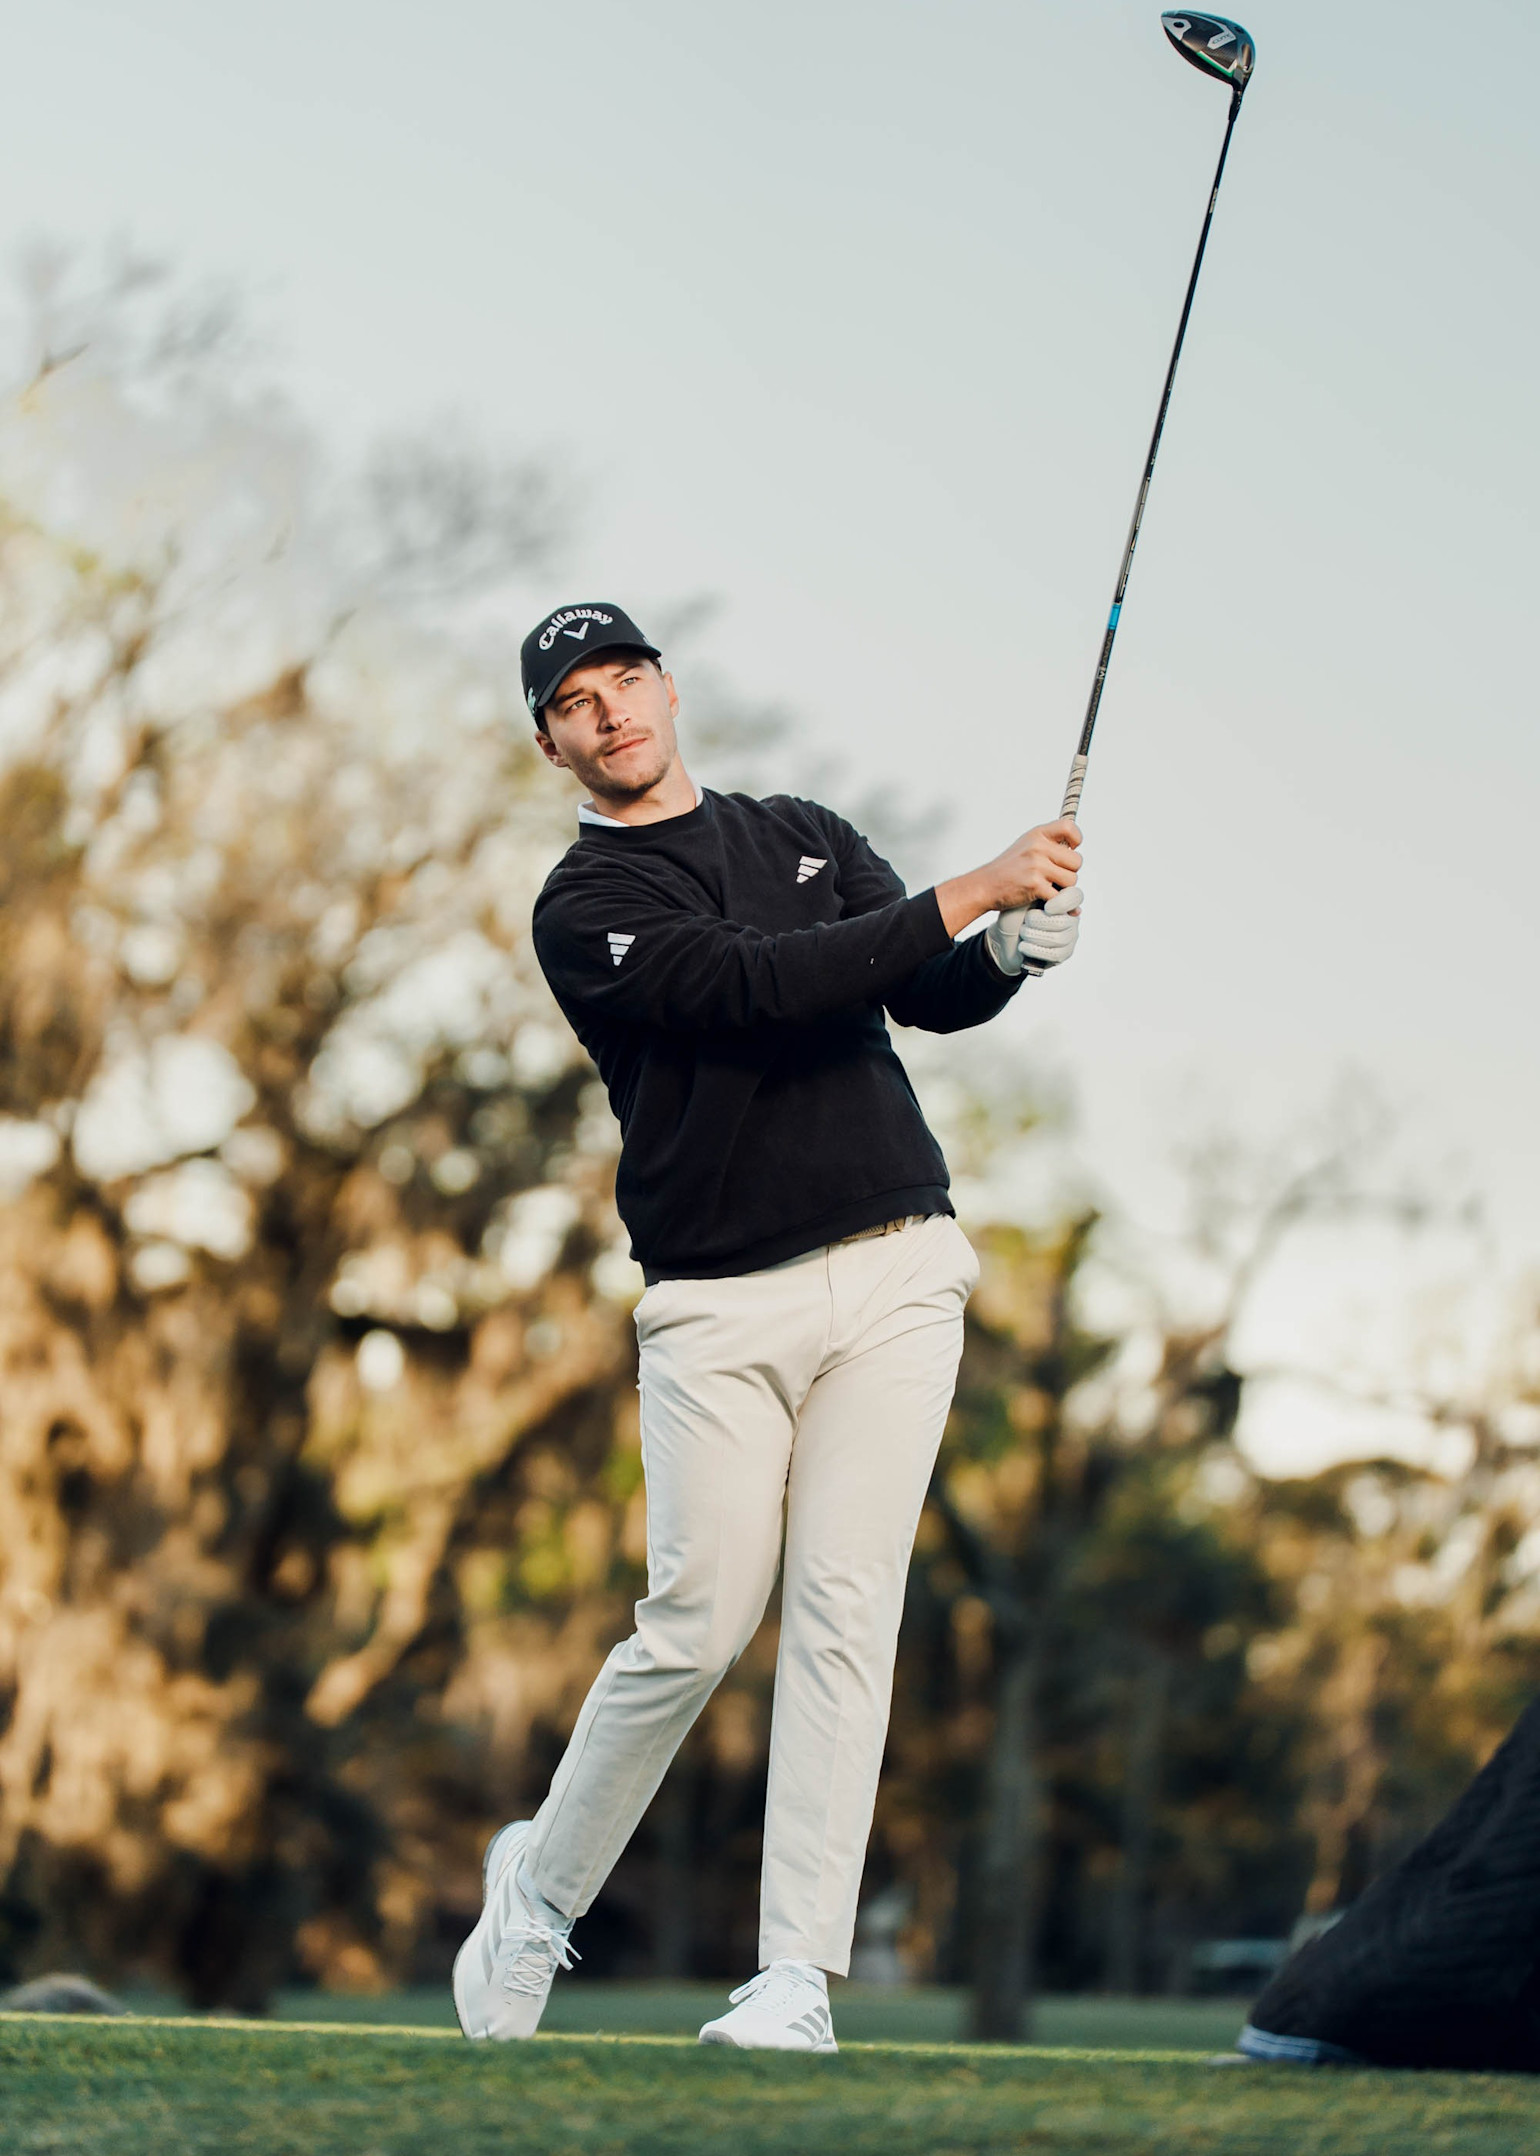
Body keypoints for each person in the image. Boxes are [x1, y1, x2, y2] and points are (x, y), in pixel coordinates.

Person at [453, 601, 1084, 2051]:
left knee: (849, 1610)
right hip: (718, 1302)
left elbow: (920, 989)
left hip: (898, 1267)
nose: (609, 712)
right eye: (575, 703)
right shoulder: (583, 905)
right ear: (550, 745)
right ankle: (540, 1891)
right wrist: (976, 887)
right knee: (699, 1620)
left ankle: (795, 1979)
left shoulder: (803, 831)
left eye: (625, 681)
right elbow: (756, 991)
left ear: (668, 690)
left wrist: (1010, 946)